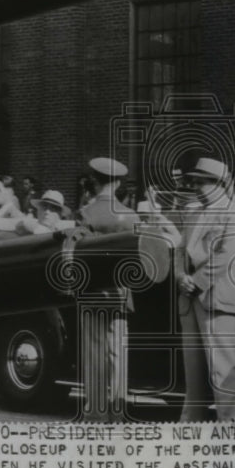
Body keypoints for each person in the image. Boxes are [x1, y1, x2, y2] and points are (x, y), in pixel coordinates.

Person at [177, 157, 235, 422]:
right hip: (189, 299)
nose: (195, 187)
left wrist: (195, 281)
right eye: (193, 182)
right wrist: (179, 275)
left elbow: (227, 256)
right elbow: (180, 251)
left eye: (201, 182)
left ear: (219, 184)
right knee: (193, 371)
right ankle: (190, 428)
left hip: (217, 300)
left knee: (223, 370)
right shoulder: (193, 213)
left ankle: (229, 430)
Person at [77, 157, 140, 422]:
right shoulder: (131, 216)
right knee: (117, 351)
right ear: (116, 183)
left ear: (95, 180)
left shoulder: (86, 213)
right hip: (119, 292)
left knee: (94, 352)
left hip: (92, 291)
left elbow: (77, 253)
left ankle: (95, 412)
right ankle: (118, 409)